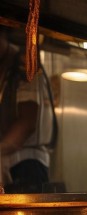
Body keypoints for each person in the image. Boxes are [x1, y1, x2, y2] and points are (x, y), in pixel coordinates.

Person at [0, 27, 55, 193]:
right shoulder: (5, 70)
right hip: (11, 166)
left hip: (26, 167)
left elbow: (27, 123)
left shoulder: (23, 66)